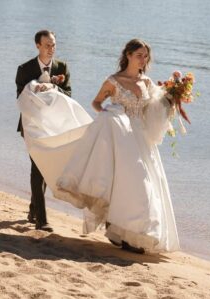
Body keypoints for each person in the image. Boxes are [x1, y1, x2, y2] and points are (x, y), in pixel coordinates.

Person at [17, 39, 180, 254]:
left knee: (140, 183)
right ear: (128, 55)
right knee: (129, 183)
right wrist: (109, 116)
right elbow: (96, 103)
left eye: (146, 56)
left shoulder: (147, 83)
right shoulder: (113, 81)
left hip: (140, 139)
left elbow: (150, 111)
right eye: (139, 55)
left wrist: (171, 98)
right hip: (119, 136)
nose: (143, 59)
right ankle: (126, 235)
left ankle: (128, 234)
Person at [14, 30, 71, 233]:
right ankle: (41, 219)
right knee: (38, 168)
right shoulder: (24, 69)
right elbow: (20, 99)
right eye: (47, 45)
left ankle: (33, 210)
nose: (51, 49)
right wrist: (35, 89)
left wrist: (54, 88)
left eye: (53, 44)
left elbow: (69, 94)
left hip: (53, 126)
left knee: (46, 169)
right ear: (37, 45)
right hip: (31, 126)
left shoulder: (62, 67)